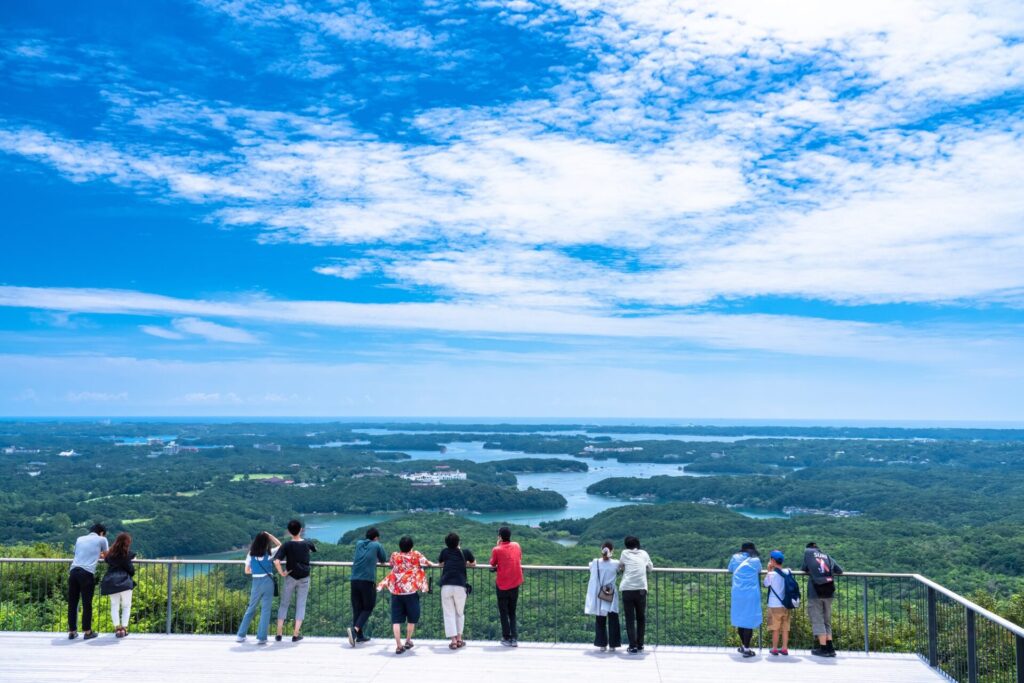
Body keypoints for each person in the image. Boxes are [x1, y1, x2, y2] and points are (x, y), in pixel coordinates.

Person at [377, 535, 433, 655]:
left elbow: (391, 564)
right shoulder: (416, 555)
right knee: (412, 617)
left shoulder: (395, 555)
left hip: (396, 592)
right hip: (410, 592)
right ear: (411, 546)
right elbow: (428, 563)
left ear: (400, 546)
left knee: (396, 619)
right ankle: (408, 640)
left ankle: (398, 646)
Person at [236, 531, 282, 645]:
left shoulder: (251, 554)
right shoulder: (269, 553)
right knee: (265, 610)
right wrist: (270, 535)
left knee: (251, 608)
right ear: (266, 541)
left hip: (256, 582)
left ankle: (240, 635)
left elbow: (246, 571)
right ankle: (262, 637)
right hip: (268, 582)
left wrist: (256, 571)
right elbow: (280, 545)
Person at [274, 519, 317, 642]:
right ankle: (295, 634)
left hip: (290, 576)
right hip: (304, 577)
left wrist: (282, 573)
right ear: (301, 530)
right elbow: (314, 549)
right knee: (301, 605)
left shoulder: (286, 545)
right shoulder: (307, 543)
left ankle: (279, 633)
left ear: (289, 531)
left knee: (284, 604)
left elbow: (277, 561)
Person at [802, 541, 844, 657]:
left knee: (817, 620)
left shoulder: (808, 554)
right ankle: (830, 648)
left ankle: (823, 649)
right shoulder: (827, 556)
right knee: (826, 621)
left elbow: (804, 568)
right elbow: (839, 570)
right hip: (829, 591)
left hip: (815, 592)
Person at [67, 523, 108, 640]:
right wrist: (99, 555)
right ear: (101, 532)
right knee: (86, 604)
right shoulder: (102, 539)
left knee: (72, 603)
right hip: (86, 573)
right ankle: (87, 631)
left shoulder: (79, 539)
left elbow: (79, 553)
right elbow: (107, 556)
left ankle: (72, 631)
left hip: (73, 571)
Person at [348, 527, 387, 647]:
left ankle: (359, 637)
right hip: (367, 581)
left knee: (357, 608)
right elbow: (384, 559)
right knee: (369, 607)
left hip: (354, 580)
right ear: (376, 537)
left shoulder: (359, 543)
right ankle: (355, 631)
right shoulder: (376, 545)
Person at [437, 532, 475, 649]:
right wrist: (465, 563)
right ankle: (459, 639)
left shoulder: (444, 552)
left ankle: (453, 641)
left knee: (449, 613)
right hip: (460, 585)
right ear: (459, 542)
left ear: (446, 543)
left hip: (446, 586)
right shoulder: (465, 552)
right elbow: (473, 564)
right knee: (459, 612)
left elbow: (440, 563)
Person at [618, 535, 653, 654]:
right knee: (641, 618)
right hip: (641, 590)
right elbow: (650, 568)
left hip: (627, 589)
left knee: (629, 618)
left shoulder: (624, 553)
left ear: (626, 545)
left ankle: (632, 646)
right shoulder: (644, 553)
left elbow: (620, 566)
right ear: (638, 544)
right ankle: (640, 644)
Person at [489, 526, 523, 647]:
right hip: (515, 583)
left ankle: (506, 637)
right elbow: (519, 558)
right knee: (512, 612)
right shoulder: (517, 545)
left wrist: (497, 544)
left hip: (502, 585)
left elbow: (492, 564)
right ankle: (514, 638)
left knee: (503, 612)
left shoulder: (497, 549)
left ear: (500, 537)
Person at [585, 541, 621, 652]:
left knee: (600, 619)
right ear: (612, 551)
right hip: (610, 593)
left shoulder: (595, 562)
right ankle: (613, 645)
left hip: (599, 594)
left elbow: (590, 566)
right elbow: (621, 568)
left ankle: (602, 644)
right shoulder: (616, 563)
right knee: (613, 618)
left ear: (601, 550)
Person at [728, 541, 762, 658]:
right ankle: (747, 649)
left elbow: (730, 569)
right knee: (748, 622)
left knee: (740, 619)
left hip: (737, 593)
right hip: (751, 593)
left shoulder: (734, 558)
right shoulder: (756, 560)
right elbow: (759, 570)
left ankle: (743, 646)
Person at [100, 532, 136, 639]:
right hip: (125, 583)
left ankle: (117, 628)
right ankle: (124, 628)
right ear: (127, 543)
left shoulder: (110, 555)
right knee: (126, 605)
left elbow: (106, 559)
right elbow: (131, 571)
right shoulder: (127, 555)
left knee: (114, 605)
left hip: (111, 582)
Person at [763, 550, 793, 656]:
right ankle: (784, 648)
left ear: (772, 560)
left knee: (775, 629)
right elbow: (789, 572)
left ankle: (775, 648)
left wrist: (768, 570)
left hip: (774, 605)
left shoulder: (771, 574)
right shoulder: (788, 571)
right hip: (786, 604)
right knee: (785, 628)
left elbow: (765, 584)